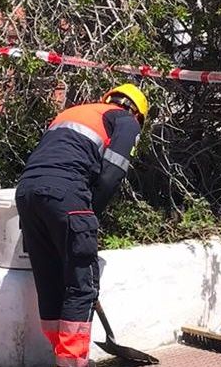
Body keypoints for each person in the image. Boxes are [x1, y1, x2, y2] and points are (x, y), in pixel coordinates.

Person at [15, 84, 149, 367]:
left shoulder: (74, 112)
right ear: (137, 114)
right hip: (67, 194)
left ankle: (59, 356)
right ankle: (72, 362)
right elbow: (113, 172)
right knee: (81, 285)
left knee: (50, 279)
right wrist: (88, 214)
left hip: (27, 193)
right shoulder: (125, 120)